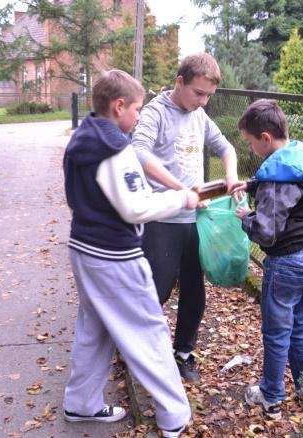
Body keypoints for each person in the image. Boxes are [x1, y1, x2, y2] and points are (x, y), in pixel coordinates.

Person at [62, 69, 196, 438]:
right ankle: (174, 417)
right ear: (119, 106)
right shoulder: (114, 147)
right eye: (136, 108)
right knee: (148, 331)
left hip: (84, 248)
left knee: (96, 327)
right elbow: (135, 208)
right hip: (114, 256)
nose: (138, 116)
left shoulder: (85, 136)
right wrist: (181, 198)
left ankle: (82, 402)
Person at [132, 53, 239, 382]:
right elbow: (139, 152)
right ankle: (137, 349)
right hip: (163, 219)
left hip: (195, 220)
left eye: (209, 96)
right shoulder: (156, 113)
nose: (204, 102)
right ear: (180, 82)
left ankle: (183, 353)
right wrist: (181, 191)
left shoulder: (199, 116)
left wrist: (232, 178)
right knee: (157, 290)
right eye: (198, 93)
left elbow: (226, 147)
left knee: (194, 290)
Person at [233, 99, 303, 420]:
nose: (251, 150)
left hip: (286, 262)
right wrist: (250, 184)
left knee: (276, 333)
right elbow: (297, 191)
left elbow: (267, 233)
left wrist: (247, 217)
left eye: (250, 143)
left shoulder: (275, 177)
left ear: (265, 138)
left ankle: (271, 396)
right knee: (301, 327)